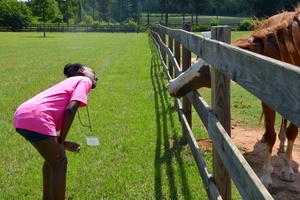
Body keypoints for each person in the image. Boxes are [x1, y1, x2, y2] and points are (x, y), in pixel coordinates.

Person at [13, 63, 98, 200]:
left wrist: (61, 143)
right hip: (37, 116)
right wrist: (61, 142)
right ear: (81, 72)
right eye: (93, 73)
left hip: (22, 116)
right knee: (60, 165)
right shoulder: (84, 80)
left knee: (52, 161)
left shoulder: (69, 83)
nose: (96, 77)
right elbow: (70, 109)